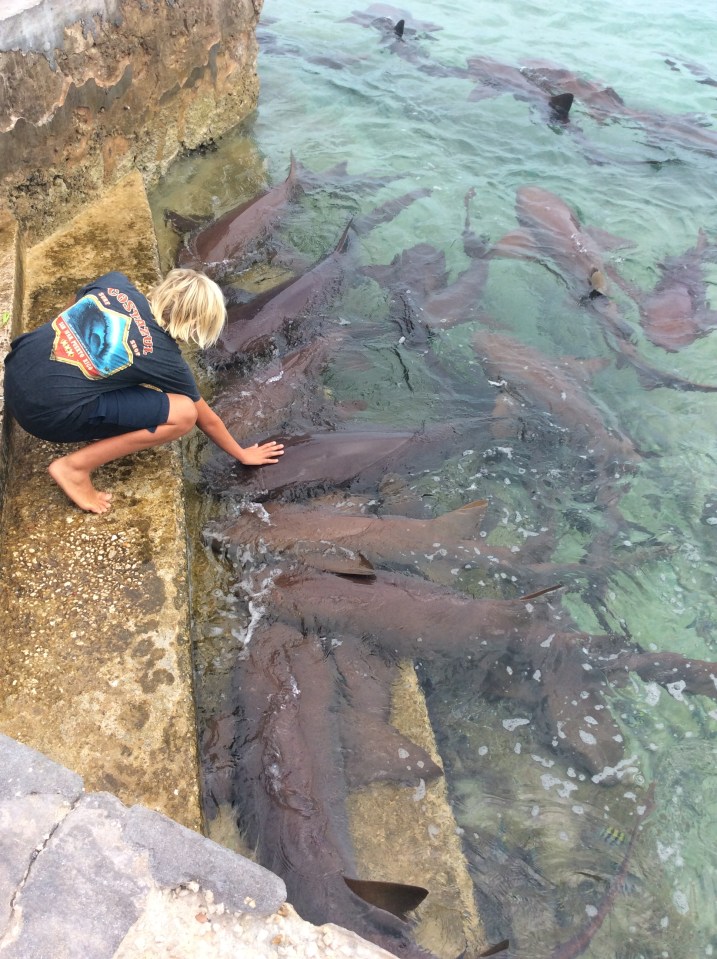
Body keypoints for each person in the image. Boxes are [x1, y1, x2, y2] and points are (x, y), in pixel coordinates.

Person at [3, 267, 284, 515]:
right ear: (197, 326)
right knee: (183, 414)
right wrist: (242, 454)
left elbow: (73, 308)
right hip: (42, 415)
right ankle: (75, 468)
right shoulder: (166, 359)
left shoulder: (115, 284)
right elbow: (204, 418)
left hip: (15, 371)